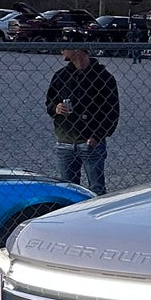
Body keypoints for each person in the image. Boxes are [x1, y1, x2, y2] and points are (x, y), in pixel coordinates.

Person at [45, 45, 120, 195]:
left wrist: (97, 136)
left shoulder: (103, 77)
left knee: (96, 189)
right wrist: (56, 108)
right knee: (68, 190)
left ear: (78, 49)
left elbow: (112, 112)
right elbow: (49, 102)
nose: (62, 50)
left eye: (65, 46)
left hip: (90, 142)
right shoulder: (61, 75)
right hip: (65, 141)